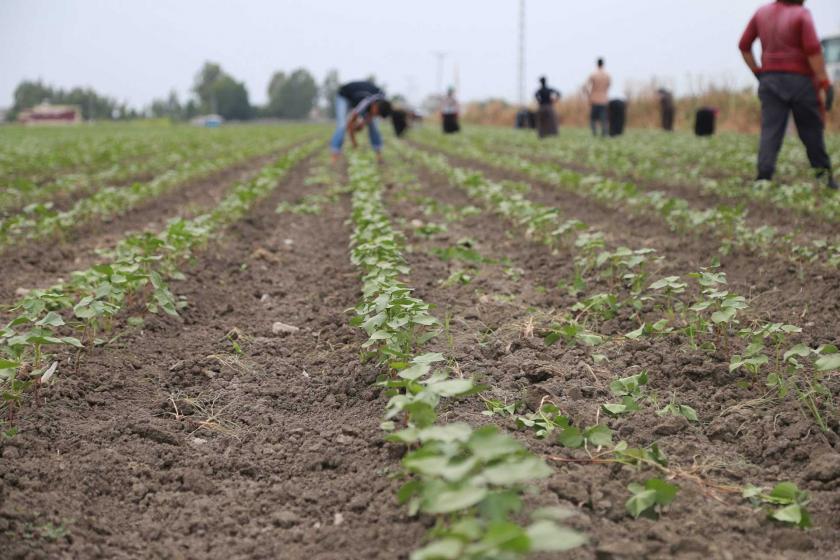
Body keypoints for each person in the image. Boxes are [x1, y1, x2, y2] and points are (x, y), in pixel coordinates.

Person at [739, 0, 837, 189]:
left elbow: (744, 46)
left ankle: (763, 177)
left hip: (770, 79)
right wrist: (825, 82)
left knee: (771, 130)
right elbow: (813, 50)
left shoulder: (761, 13)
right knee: (810, 130)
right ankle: (824, 177)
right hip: (801, 80)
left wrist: (758, 72)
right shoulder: (802, 14)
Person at [329, 80, 392, 163]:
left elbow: (371, 115)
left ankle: (379, 154)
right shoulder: (365, 102)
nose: (375, 116)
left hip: (361, 96)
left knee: (374, 127)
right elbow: (350, 123)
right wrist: (354, 142)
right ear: (374, 105)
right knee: (342, 125)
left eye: (377, 115)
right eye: (376, 113)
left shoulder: (383, 102)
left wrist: (363, 123)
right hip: (344, 95)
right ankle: (334, 155)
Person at [586, 58, 611, 137]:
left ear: (597, 64)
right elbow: (608, 86)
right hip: (604, 98)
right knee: (604, 118)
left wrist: (589, 95)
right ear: (603, 64)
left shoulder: (593, 74)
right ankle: (604, 133)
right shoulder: (607, 75)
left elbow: (586, 86)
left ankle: (594, 133)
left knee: (593, 118)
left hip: (594, 98)